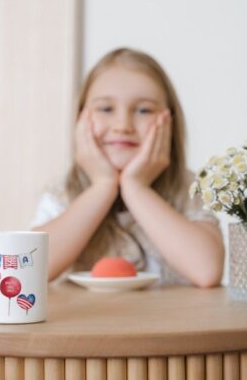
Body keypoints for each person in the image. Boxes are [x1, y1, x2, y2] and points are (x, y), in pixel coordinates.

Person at [31, 47, 224, 287]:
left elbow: (206, 271)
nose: (123, 125)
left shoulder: (187, 188)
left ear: (169, 122)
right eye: (105, 109)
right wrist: (103, 186)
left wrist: (136, 188)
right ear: (81, 119)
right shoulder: (63, 193)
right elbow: (28, 269)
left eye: (143, 110)